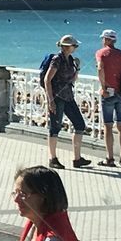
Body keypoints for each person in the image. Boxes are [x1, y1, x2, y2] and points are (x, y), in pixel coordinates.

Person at [43, 35, 90, 169]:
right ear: (66, 46)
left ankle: (77, 158)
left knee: (80, 124)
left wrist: (78, 68)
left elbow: (72, 80)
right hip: (57, 97)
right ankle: (52, 158)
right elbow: (47, 80)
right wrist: (50, 100)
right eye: (74, 46)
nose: (76, 48)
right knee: (55, 127)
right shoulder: (57, 59)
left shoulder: (70, 59)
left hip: (68, 96)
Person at [96, 29, 121, 167]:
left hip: (108, 93)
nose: (102, 41)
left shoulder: (101, 53)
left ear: (107, 39)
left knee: (108, 126)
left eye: (103, 38)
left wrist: (103, 88)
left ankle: (110, 158)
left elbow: (100, 68)